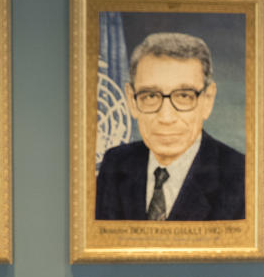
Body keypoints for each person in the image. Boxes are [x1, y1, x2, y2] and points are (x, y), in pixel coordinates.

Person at [95, 32, 245, 221]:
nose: (166, 118)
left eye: (184, 96)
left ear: (208, 100)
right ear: (131, 100)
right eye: (150, 96)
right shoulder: (115, 163)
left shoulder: (242, 177)